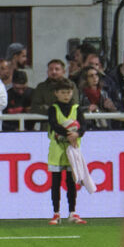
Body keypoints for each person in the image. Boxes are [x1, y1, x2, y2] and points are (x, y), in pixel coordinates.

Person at [46, 78, 87, 224]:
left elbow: (83, 126)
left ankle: (72, 212)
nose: (66, 95)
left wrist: (78, 133)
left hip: (72, 150)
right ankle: (56, 213)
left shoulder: (76, 108)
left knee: (71, 182)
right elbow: (54, 124)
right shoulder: (53, 109)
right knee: (56, 182)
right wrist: (69, 134)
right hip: (57, 150)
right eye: (63, 92)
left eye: (68, 92)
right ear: (56, 93)